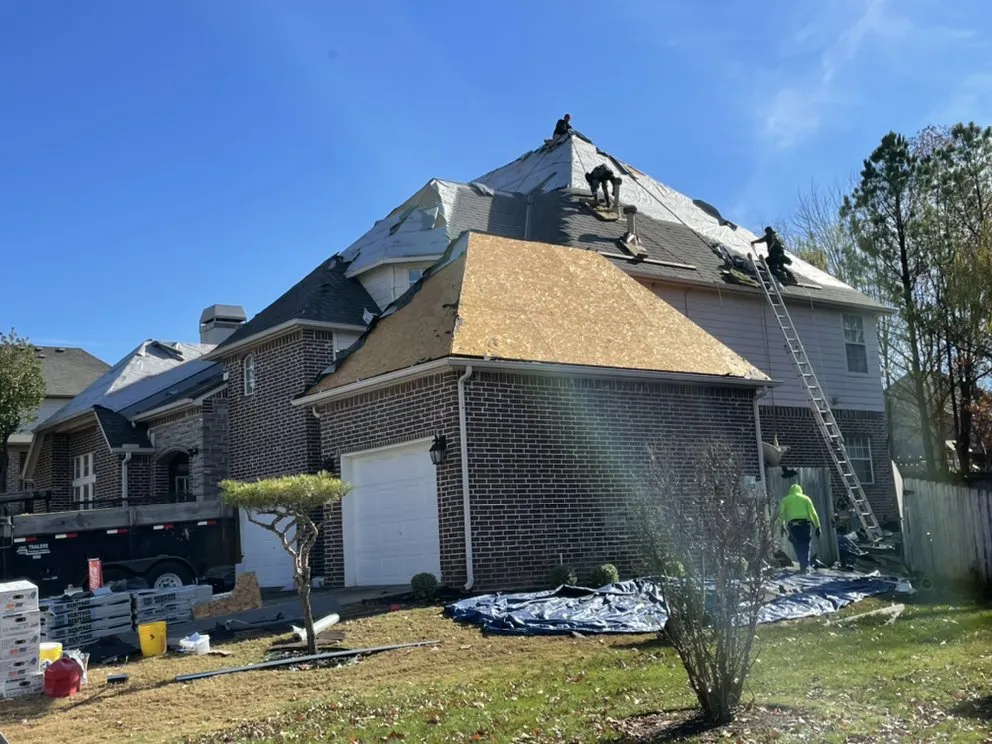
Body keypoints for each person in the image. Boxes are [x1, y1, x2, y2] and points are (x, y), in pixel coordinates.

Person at [778, 483, 821, 573]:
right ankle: (805, 565)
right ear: (801, 491)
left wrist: (782, 525)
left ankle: (803, 565)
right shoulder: (806, 499)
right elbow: (813, 513)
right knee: (806, 545)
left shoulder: (785, 500)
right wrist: (817, 526)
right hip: (805, 525)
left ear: (790, 491)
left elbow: (781, 514)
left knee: (797, 545)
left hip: (793, 527)